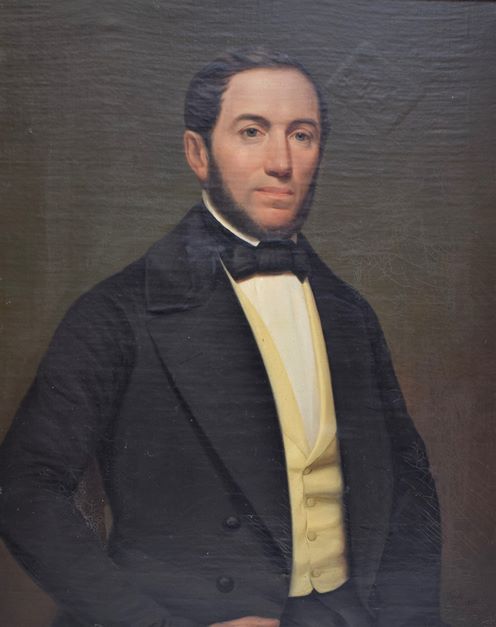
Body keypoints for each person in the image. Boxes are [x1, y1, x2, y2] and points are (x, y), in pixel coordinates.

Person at [0, 47, 446, 627]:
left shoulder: (351, 315)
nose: (281, 162)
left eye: (301, 135)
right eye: (252, 132)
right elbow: (24, 489)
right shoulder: (117, 312)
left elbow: (409, 487)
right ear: (198, 153)